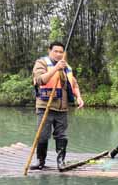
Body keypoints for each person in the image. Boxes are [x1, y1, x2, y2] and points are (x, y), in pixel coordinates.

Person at [31, 41, 84, 170]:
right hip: (45, 106)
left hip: (62, 108)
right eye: (56, 51)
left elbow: (74, 84)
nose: (59, 54)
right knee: (42, 135)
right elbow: (40, 80)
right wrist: (55, 69)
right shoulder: (41, 63)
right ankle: (40, 161)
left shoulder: (67, 67)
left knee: (62, 135)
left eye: (61, 52)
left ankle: (61, 161)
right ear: (50, 51)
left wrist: (79, 97)